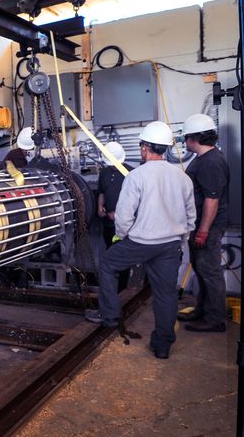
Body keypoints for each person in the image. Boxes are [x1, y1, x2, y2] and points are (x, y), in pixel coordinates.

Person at [85, 121, 195, 359]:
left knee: (107, 264)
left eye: (142, 146)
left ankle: (111, 317)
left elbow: (123, 216)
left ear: (145, 148)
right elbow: (190, 215)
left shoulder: (136, 176)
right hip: (170, 244)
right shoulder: (182, 177)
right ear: (165, 148)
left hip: (141, 242)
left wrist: (123, 237)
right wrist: (182, 239)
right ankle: (163, 346)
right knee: (165, 294)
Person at [177, 113, 230, 332]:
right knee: (201, 268)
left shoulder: (211, 162)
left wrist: (203, 231)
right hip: (200, 225)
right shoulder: (205, 159)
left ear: (194, 138)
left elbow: (212, 199)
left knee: (210, 271)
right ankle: (203, 309)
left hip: (207, 226)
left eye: (186, 138)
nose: (184, 142)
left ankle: (215, 319)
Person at [96, 141, 134, 291]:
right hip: (108, 226)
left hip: (124, 228)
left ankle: (121, 290)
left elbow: (135, 202)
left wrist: (118, 215)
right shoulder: (104, 173)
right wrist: (100, 206)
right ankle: (112, 288)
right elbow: (102, 193)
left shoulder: (130, 174)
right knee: (110, 255)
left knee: (122, 259)